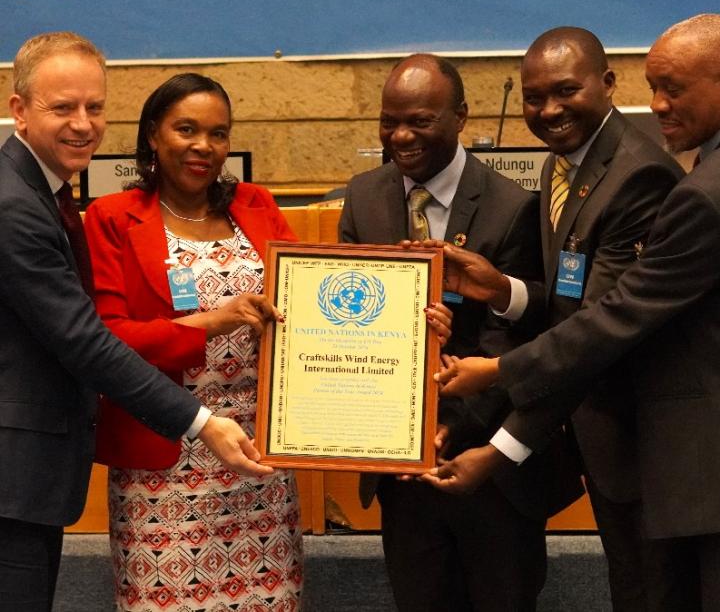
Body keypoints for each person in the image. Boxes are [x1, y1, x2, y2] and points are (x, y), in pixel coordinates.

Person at [426, 14, 720, 610]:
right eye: (533, 97)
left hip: (674, 449)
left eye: (566, 91)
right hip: (622, 447)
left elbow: (614, 321)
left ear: (605, 83)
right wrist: (503, 291)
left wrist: (499, 401)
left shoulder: (655, 177)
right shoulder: (565, 165)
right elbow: (575, 301)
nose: (549, 110)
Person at [0, 33, 272, 611]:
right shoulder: (14, 205)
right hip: (19, 477)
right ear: (18, 109)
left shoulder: (43, 192)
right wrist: (200, 420)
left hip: (244, 466)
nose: (82, 124)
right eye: (62, 107)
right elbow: (85, 339)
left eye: (94, 107)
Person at [340, 53, 581, 612]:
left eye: (420, 121)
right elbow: (350, 323)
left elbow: (526, 333)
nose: (400, 135)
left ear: (460, 117)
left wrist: (445, 424)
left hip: (490, 467)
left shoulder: (514, 206)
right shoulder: (364, 195)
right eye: (388, 120)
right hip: (400, 469)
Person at [83, 73, 303, 610]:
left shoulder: (255, 205)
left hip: (258, 461)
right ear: (153, 134)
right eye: (186, 129)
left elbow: (308, 300)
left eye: (218, 133)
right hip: (165, 456)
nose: (204, 146)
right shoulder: (112, 218)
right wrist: (209, 322)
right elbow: (104, 339)